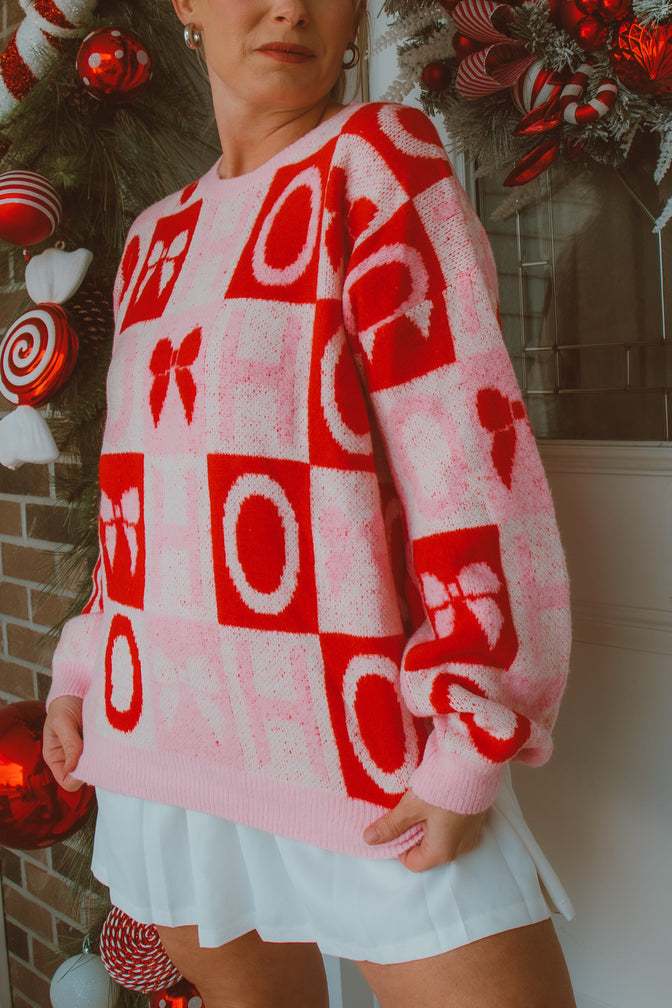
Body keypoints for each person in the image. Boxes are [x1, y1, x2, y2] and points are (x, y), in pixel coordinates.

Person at [43, 2, 578, 1005]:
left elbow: (465, 454)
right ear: (188, 7)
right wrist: (84, 663)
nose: (289, 6)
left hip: (360, 751)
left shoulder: (372, 159)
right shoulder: (153, 242)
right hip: (164, 748)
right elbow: (140, 499)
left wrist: (472, 727)